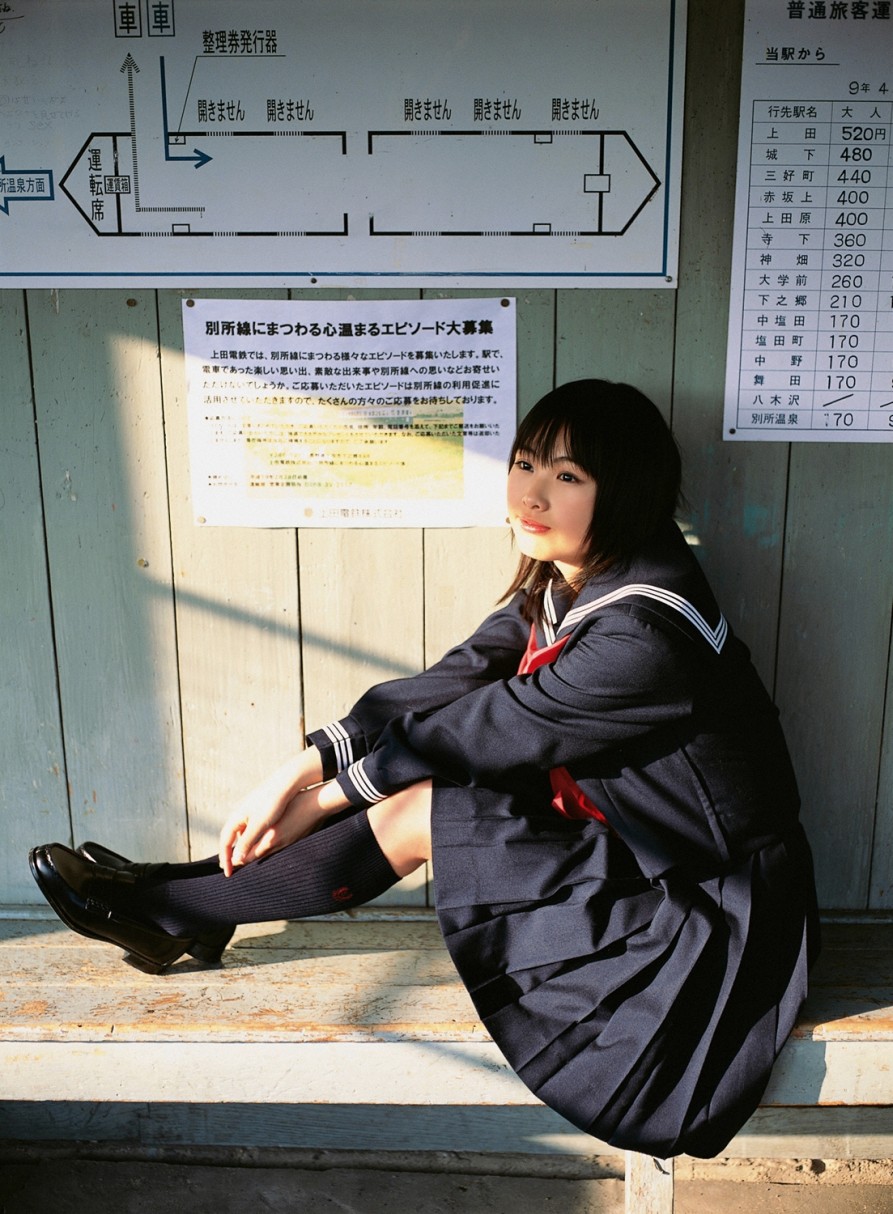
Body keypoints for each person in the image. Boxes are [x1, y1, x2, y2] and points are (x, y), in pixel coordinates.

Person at [29, 379, 819, 1160]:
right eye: (524, 464)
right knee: (423, 783)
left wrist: (320, 801)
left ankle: (179, 906)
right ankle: (187, 896)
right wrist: (300, 769)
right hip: (638, 855)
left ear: (626, 491)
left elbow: (476, 731)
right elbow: (451, 682)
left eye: (567, 476)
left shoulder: (640, 635)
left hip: (706, 909)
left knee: (425, 803)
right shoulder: (583, 574)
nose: (531, 494)